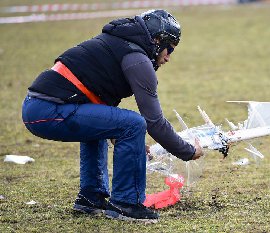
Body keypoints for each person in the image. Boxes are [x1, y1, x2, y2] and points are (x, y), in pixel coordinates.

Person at [22, 9, 204, 223]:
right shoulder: (137, 58)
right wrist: (189, 151)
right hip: (49, 110)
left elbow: (97, 105)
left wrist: (131, 144)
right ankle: (127, 203)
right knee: (134, 123)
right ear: (157, 40)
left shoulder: (116, 43)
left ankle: (92, 197)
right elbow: (154, 123)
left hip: (36, 107)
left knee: (117, 126)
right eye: (169, 49)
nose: (168, 57)